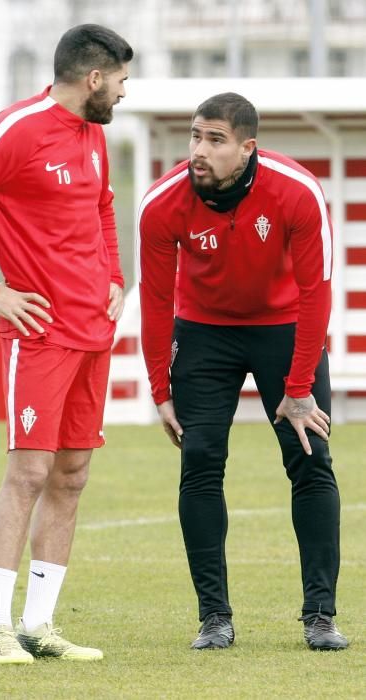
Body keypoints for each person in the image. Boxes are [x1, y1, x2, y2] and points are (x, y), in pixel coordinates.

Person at [0, 24, 133, 664]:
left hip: (92, 331)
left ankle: (39, 627)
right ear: (94, 78)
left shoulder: (94, 134)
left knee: (72, 475)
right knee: (29, 473)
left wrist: (115, 277)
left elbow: (101, 205)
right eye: (122, 80)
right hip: (37, 335)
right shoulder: (18, 128)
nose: (125, 92)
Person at [138, 92, 349, 652]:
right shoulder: (162, 203)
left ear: (247, 148)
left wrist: (299, 388)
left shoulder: (296, 191)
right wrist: (160, 387)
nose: (198, 151)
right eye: (194, 137)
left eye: (215, 140)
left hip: (284, 328)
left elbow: (316, 293)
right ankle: (214, 618)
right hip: (203, 333)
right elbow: (156, 301)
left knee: (311, 461)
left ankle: (320, 616)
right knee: (201, 463)